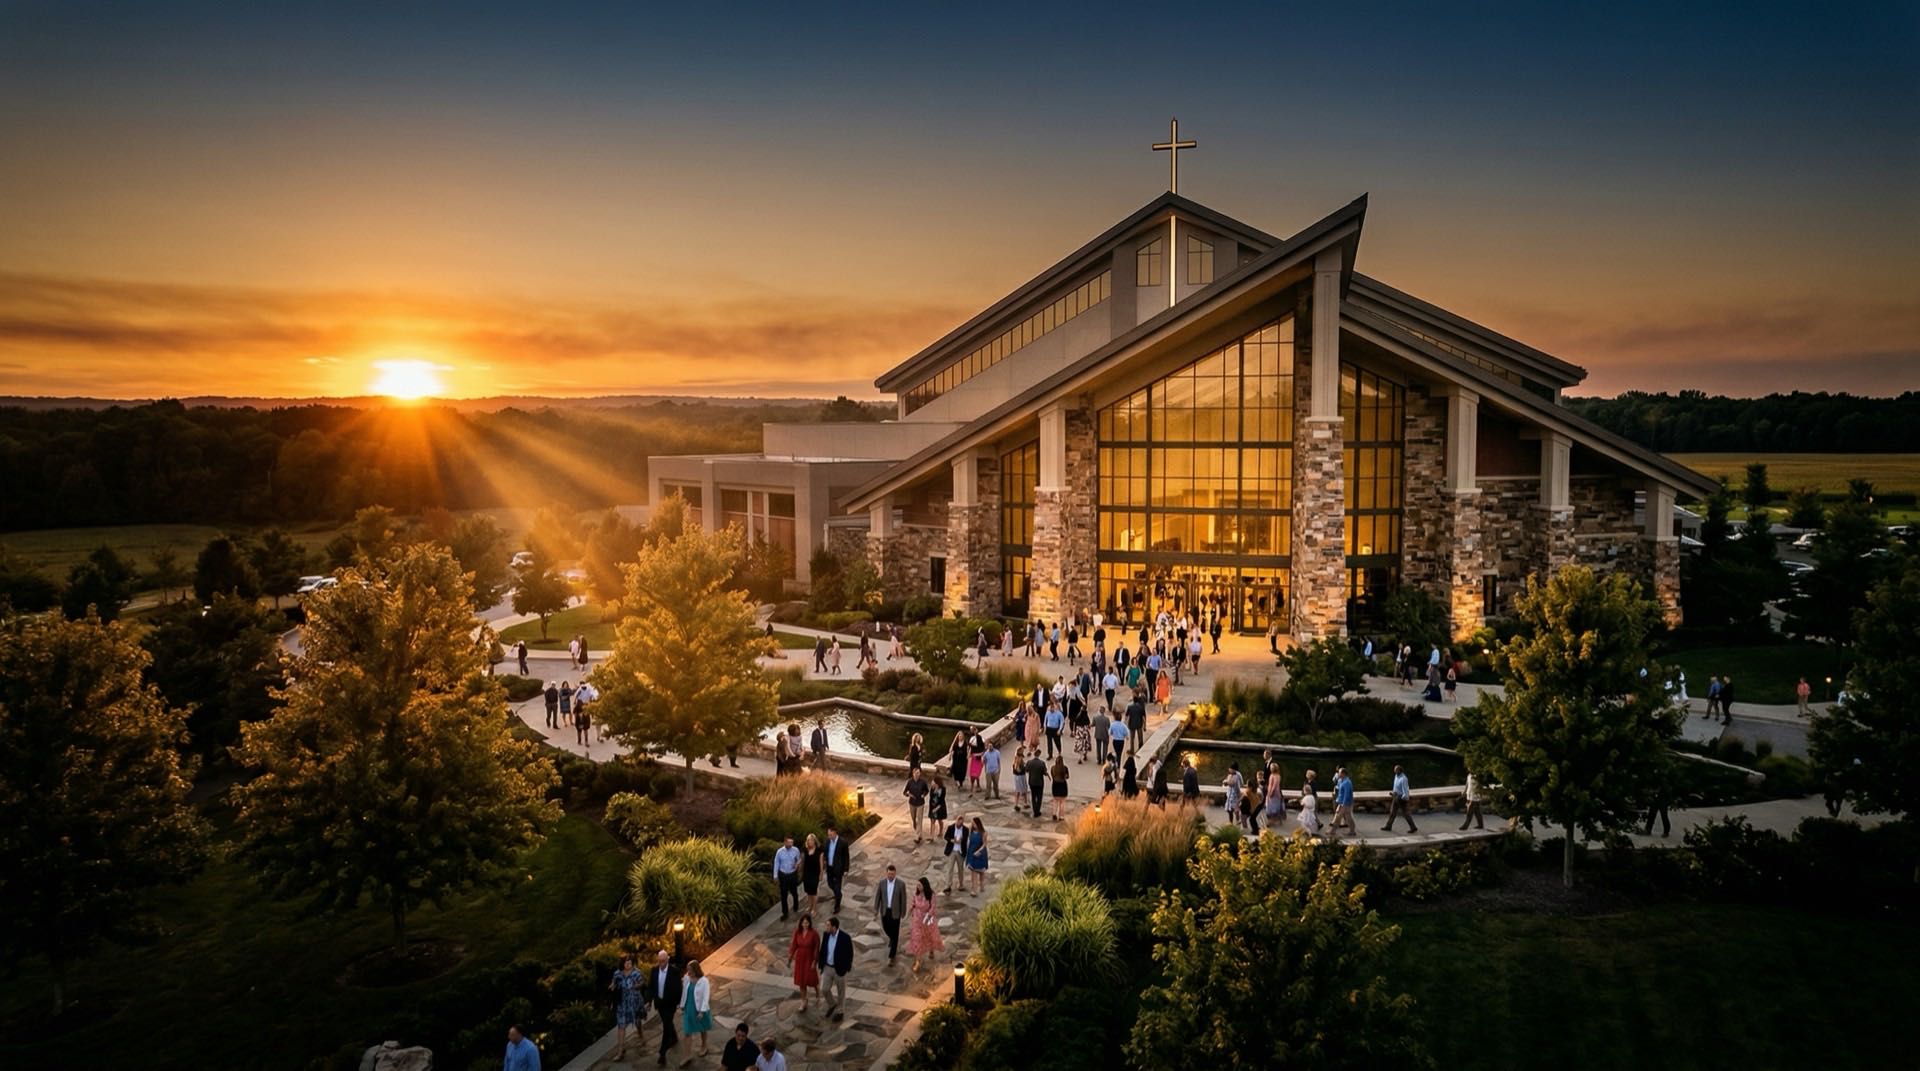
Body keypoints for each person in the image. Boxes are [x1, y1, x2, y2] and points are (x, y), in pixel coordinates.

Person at [650, 949, 683, 1066]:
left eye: (663, 961)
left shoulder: (674, 971)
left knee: (666, 1026)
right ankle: (674, 1037)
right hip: (660, 1004)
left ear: (667, 959)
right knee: (667, 1023)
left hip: (670, 1005)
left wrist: (678, 1003)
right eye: (659, 961)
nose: (661, 963)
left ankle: (662, 1053)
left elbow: (679, 988)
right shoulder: (654, 970)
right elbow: (651, 986)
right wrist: (649, 1001)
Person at [818, 915, 853, 1020]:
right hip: (827, 967)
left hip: (839, 969)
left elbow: (849, 953)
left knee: (841, 992)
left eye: (828, 925)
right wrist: (821, 963)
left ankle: (840, 1011)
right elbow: (823, 949)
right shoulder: (826, 935)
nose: (826, 927)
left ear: (834, 927)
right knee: (824, 989)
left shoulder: (845, 937)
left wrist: (846, 968)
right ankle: (832, 1004)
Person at [906, 876, 945, 971]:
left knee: (929, 936)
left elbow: (933, 907)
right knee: (917, 939)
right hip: (917, 920)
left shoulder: (931, 895)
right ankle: (918, 961)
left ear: (924, 885)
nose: (918, 887)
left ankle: (931, 950)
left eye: (920, 885)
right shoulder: (916, 894)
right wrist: (910, 910)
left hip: (927, 919)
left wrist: (928, 916)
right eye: (917, 885)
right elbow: (913, 903)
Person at [609, 956, 644, 1062]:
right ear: (622, 963)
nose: (628, 964)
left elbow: (642, 982)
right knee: (621, 1025)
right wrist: (612, 986)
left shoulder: (637, 973)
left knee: (637, 1021)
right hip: (622, 1003)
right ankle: (620, 1051)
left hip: (634, 1001)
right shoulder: (617, 973)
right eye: (626, 962)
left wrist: (637, 986)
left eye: (630, 962)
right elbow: (614, 982)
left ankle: (641, 1036)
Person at [680, 960, 713, 1061]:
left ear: (696, 970)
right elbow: (684, 992)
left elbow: (706, 997)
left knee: (703, 1028)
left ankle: (704, 1046)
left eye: (690, 970)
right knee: (687, 1031)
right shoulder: (687, 979)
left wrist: (702, 1011)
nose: (688, 972)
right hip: (689, 1008)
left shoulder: (704, 981)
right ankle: (687, 1055)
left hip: (699, 1008)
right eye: (688, 970)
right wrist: (682, 1004)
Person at [875, 863, 908, 963]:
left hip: (895, 912)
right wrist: (876, 909)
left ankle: (892, 955)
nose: (890, 876)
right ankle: (892, 938)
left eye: (892, 874)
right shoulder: (882, 883)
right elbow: (878, 896)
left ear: (895, 874)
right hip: (885, 911)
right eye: (889, 874)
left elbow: (903, 899)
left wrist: (903, 912)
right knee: (886, 928)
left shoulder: (901, 884)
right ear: (886, 873)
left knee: (895, 932)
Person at [787, 913, 821, 1009]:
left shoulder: (814, 934)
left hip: (809, 958)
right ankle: (803, 1001)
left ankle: (817, 990)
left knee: (811, 979)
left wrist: (814, 961)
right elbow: (794, 945)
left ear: (810, 923)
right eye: (803, 923)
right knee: (801, 981)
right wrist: (790, 957)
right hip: (800, 959)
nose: (805, 925)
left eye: (807, 923)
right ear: (801, 923)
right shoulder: (797, 932)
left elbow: (816, 948)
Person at [1383, 764, 1418, 833]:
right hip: (1395, 796)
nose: (1394, 771)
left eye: (1396, 769)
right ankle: (1388, 826)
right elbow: (1395, 786)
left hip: (1401, 798)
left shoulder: (1403, 779)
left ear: (1399, 770)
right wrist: (1393, 793)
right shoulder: (1396, 776)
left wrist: (1404, 798)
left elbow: (1405, 789)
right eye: (1394, 769)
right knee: (1392, 813)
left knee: (1406, 814)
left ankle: (1413, 827)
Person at [822, 825, 849, 912]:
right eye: (828, 835)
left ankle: (837, 906)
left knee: (837, 886)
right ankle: (838, 894)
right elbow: (825, 852)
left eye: (830, 834)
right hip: (829, 868)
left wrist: (846, 869)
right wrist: (825, 860)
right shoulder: (827, 841)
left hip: (838, 868)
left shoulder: (843, 842)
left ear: (835, 833)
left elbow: (846, 856)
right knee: (830, 884)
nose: (829, 836)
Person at [942, 813, 969, 893]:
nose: (959, 824)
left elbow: (965, 839)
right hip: (952, 851)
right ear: (956, 821)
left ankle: (961, 884)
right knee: (950, 868)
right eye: (958, 822)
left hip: (960, 851)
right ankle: (948, 885)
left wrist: (961, 840)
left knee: (960, 869)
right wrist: (951, 840)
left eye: (961, 823)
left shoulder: (965, 829)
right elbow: (946, 836)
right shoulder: (951, 828)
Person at [903, 767, 930, 844]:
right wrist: (909, 794)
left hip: (920, 803)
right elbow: (904, 792)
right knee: (913, 818)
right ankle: (916, 827)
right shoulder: (910, 782)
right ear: (913, 774)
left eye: (918, 773)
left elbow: (926, 790)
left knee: (919, 819)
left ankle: (918, 836)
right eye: (916, 773)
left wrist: (923, 795)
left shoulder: (923, 782)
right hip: (912, 803)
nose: (917, 774)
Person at [799, 833, 823, 917]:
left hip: (815, 874)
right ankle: (810, 906)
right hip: (806, 873)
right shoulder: (805, 850)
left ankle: (814, 908)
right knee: (808, 892)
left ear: (815, 841)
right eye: (808, 840)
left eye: (811, 840)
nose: (810, 842)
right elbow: (802, 860)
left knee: (814, 892)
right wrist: (798, 865)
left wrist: (821, 873)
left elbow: (821, 863)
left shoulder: (819, 851)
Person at [965, 817, 989, 895]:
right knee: (973, 871)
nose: (973, 825)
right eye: (972, 824)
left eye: (974, 824)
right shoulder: (971, 831)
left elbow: (984, 844)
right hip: (972, 852)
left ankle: (981, 884)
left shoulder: (983, 833)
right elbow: (969, 841)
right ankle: (974, 889)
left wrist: (979, 851)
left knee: (981, 871)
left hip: (980, 853)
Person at [1331, 766, 1355, 836]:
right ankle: (1352, 831)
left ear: (1343, 774)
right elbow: (1339, 789)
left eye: (1339, 773)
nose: (1338, 774)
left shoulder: (1347, 782)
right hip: (1341, 802)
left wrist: (1344, 804)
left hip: (1345, 803)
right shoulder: (1340, 780)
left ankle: (1333, 831)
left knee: (1339, 816)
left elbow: (1347, 794)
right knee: (1347, 817)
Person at [1024, 749, 1048, 819]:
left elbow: (1026, 770)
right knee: (1039, 797)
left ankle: (1035, 810)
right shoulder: (1042, 763)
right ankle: (1037, 810)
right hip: (1039, 782)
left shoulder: (1029, 762)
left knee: (1033, 796)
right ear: (1039, 754)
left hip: (1032, 782)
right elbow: (1044, 772)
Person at [1049, 754, 1070, 821]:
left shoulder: (1053, 768)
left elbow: (1052, 776)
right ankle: (1061, 816)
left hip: (1055, 785)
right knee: (1062, 802)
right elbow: (1067, 777)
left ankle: (1054, 813)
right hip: (1062, 785)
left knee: (1055, 801)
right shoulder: (1065, 768)